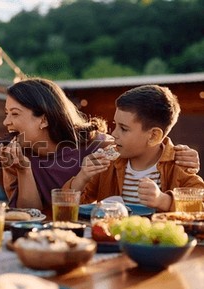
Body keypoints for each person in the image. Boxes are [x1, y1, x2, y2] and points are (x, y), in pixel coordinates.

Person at [0, 78, 200, 220]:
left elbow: (146, 139)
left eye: (14, 114)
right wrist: (82, 175)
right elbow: (37, 214)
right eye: (6, 113)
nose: (6, 122)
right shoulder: (14, 156)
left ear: (44, 120)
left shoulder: (103, 150)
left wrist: (165, 195)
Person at [64, 84, 204, 211]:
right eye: (115, 125)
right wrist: (82, 177)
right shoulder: (107, 164)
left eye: (123, 128)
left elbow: (199, 207)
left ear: (153, 136)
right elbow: (68, 207)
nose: (113, 133)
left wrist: (163, 201)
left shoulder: (179, 164)